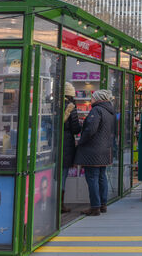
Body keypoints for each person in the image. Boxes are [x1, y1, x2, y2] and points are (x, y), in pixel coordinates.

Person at [74, 89, 116, 216]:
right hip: (105, 150)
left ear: (98, 98)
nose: (91, 99)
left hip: (93, 150)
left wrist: (81, 141)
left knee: (92, 177)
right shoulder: (110, 111)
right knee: (102, 177)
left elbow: (91, 129)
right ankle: (103, 204)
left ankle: (95, 207)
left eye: (93, 97)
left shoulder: (97, 110)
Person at [61, 82, 81, 213]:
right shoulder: (71, 106)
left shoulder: (53, 103)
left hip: (54, 142)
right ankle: (60, 204)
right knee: (63, 174)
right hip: (66, 143)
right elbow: (75, 129)